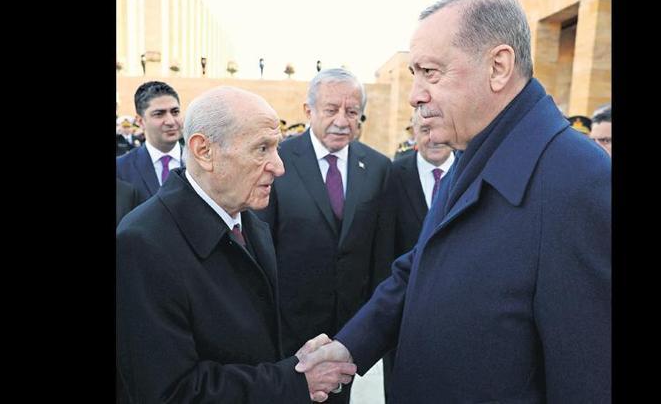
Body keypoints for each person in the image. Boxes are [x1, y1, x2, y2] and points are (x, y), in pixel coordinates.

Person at [296, 0, 611, 403]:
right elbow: (421, 265)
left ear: (498, 67)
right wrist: (351, 347)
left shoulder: (578, 180)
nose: (415, 95)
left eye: (431, 72)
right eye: (414, 73)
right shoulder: (473, 150)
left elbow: (587, 378)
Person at [116, 85, 357, 403]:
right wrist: (292, 381)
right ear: (204, 151)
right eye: (261, 149)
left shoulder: (251, 224)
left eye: (276, 148)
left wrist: (296, 364)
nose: (279, 167)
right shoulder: (143, 243)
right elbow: (170, 392)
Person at [255, 68, 393, 403]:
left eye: (352, 111)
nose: (342, 121)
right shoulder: (278, 161)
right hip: (288, 329)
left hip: (347, 332)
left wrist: (368, 327)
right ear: (309, 110)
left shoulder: (378, 167)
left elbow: (381, 254)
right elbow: (261, 245)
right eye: (331, 110)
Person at [381, 109, 454, 401]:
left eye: (439, 130)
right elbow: (384, 246)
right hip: (403, 312)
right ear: (413, 133)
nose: (433, 139)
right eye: (425, 131)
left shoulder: (472, 172)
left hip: (458, 311)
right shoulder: (392, 175)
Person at [116, 81, 185, 203]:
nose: (170, 121)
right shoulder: (121, 168)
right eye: (159, 114)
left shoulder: (200, 164)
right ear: (140, 121)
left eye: (175, 112)